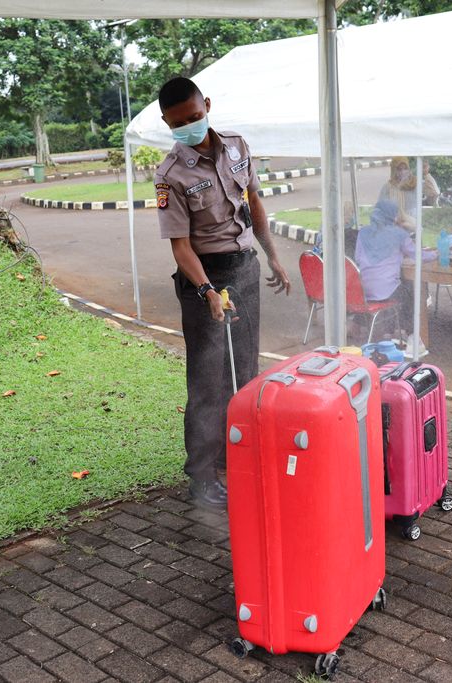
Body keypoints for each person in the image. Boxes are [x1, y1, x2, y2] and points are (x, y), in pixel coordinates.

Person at [154, 77, 291, 509]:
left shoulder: (236, 146)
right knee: (208, 380)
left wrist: (273, 256)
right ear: (167, 123)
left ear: (207, 106)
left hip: (243, 268)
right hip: (203, 276)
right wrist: (209, 291)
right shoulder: (170, 175)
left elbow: (254, 202)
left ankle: (238, 456)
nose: (189, 127)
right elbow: (180, 246)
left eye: (195, 117)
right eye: (179, 124)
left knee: (245, 369)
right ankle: (201, 477)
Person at [354, 199, 437, 343]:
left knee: (400, 289)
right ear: (392, 216)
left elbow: (358, 257)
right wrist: (436, 253)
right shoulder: (398, 234)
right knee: (412, 292)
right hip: (386, 290)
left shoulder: (363, 232)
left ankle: (389, 330)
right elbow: (419, 255)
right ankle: (410, 333)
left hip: (363, 290)